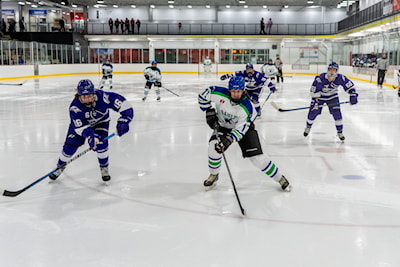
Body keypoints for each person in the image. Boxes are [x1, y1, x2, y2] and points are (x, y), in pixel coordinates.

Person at [198, 76, 292, 192]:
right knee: (213, 148)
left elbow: (240, 130)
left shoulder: (248, 107)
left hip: (244, 130)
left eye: (238, 91)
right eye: (233, 91)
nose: (235, 94)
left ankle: (280, 178)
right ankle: (214, 174)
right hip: (223, 126)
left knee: (257, 159)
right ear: (229, 90)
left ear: (243, 90)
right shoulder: (217, 92)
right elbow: (202, 96)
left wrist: (229, 140)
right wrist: (208, 110)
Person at [49, 79, 133, 182]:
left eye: (89, 96)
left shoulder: (103, 97)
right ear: (79, 95)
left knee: (102, 144)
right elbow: (80, 128)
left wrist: (124, 121)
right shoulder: (75, 107)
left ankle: (104, 167)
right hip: (81, 126)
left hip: (101, 122)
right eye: (84, 97)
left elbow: (125, 105)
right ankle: (59, 167)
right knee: (69, 147)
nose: (87, 99)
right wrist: (90, 136)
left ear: (94, 93)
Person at [303, 62, 358, 141]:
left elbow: (350, 86)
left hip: (333, 97)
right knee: (313, 112)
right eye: (330, 69)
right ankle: (308, 127)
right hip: (320, 97)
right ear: (327, 70)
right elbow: (313, 91)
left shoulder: (340, 78)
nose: (332, 72)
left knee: (337, 114)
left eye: (334, 70)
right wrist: (315, 101)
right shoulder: (320, 78)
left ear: (337, 71)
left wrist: (353, 94)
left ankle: (340, 132)